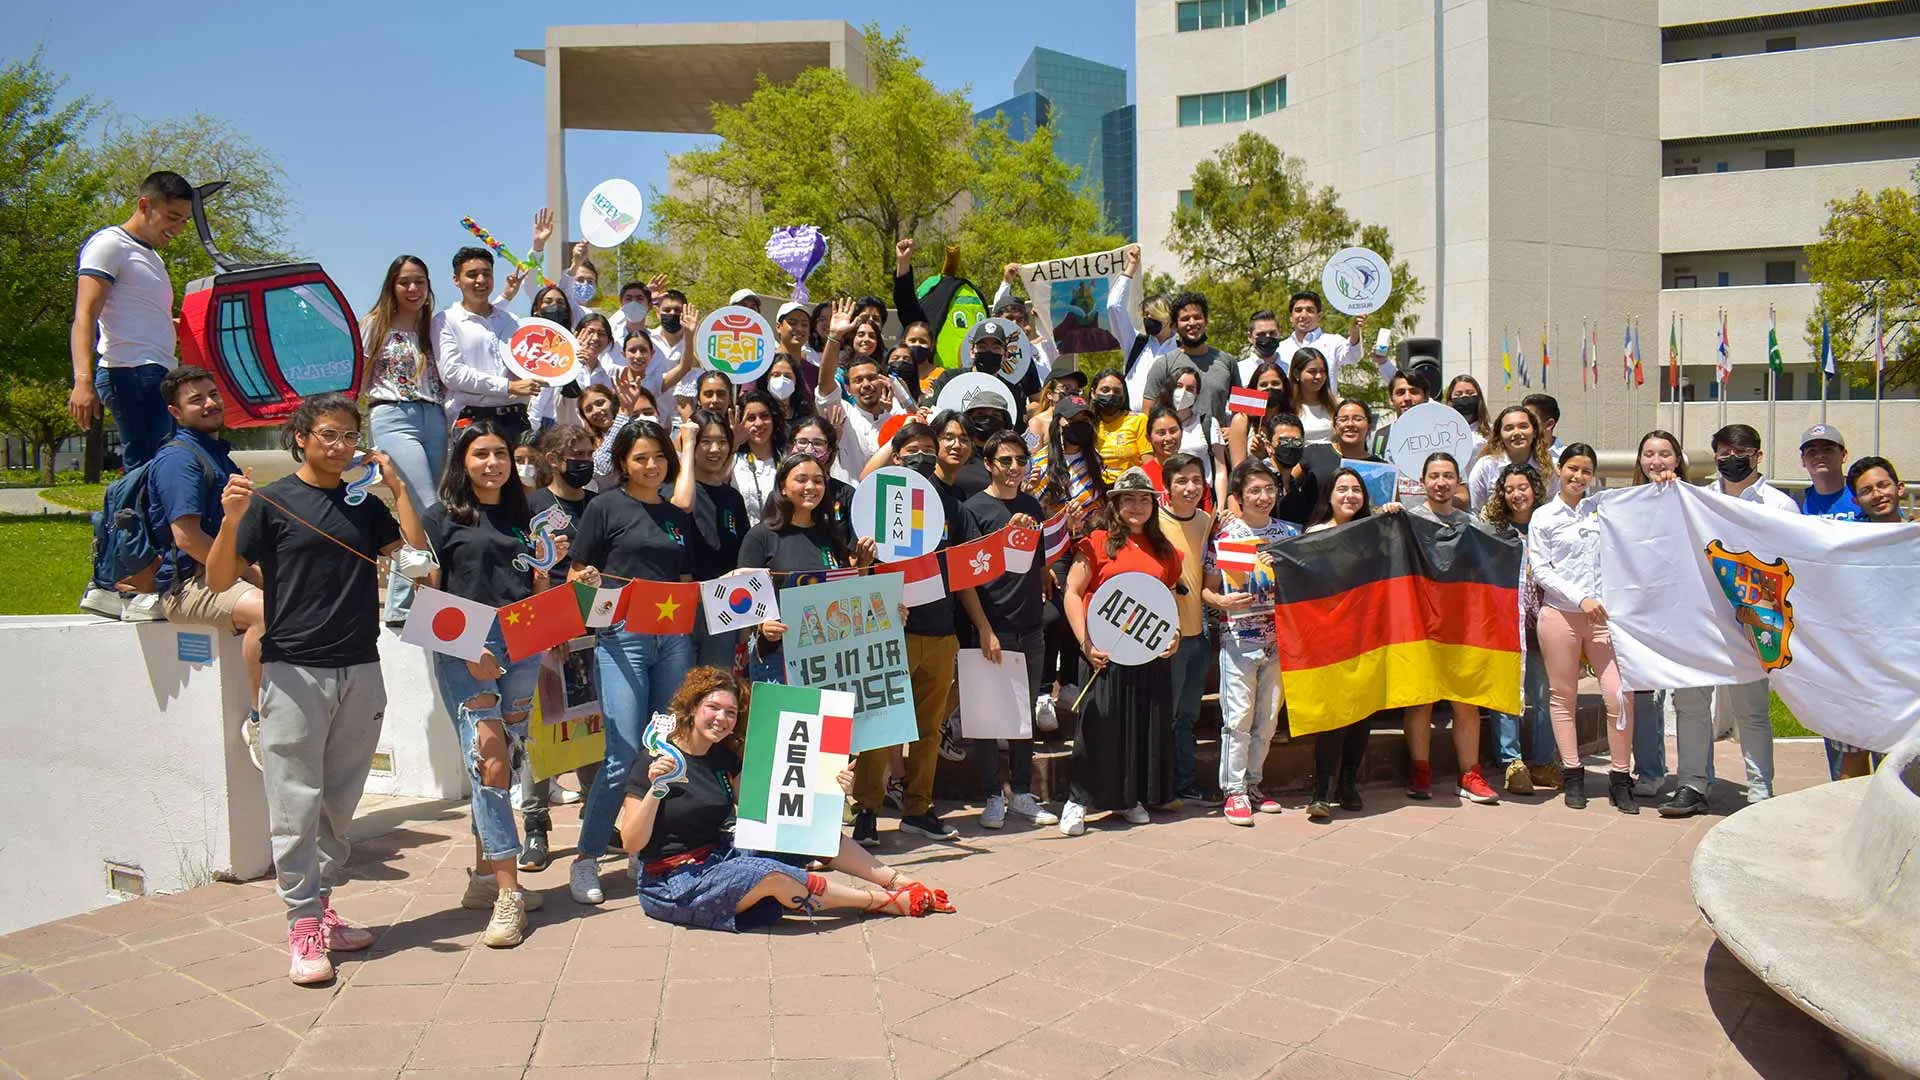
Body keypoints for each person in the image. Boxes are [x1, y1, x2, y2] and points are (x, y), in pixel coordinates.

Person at [203, 394, 425, 985]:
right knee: (295, 800)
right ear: (300, 438)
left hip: (360, 667)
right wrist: (229, 521)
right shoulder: (271, 503)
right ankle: (301, 925)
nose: (341, 446)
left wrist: (398, 490)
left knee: (338, 802)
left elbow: (421, 566)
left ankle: (322, 909)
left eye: (350, 436)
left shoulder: (363, 504)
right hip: (293, 668)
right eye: (329, 434)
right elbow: (220, 579)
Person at [618, 668, 954, 929]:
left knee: (803, 831)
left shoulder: (722, 757)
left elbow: (774, 809)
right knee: (769, 873)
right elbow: (632, 843)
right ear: (692, 707)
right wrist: (656, 789)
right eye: (713, 708)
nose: (721, 719)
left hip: (721, 856)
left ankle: (899, 881)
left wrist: (831, 787)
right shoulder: (653, 760)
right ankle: (880, 901)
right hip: (673, 882)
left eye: (731, 713)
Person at [420, 424, 551, 946]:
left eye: (500, 453)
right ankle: (508, 894)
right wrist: (466, 647)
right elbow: (423, 598)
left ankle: (480, 879)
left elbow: (536, 581)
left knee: (508, 759)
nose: (493, 463)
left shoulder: (528, 514)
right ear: (462, 462)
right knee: (490, 761)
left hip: (523, 638)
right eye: (481, 454)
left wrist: (550, 585)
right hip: (465, 645)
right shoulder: (440, 518)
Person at [565, 419, 697, 904]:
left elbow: (684, 580)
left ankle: (645, 850)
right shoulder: (604, 507)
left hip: (674, 640)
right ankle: (586, 857)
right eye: (641, 457)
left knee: (666, 749)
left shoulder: (676, 515)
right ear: (622, 462)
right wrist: (586, 577)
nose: (651, 465)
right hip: (623, 638)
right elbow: (577, 573)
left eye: (660, 457)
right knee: (621, 753)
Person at [849, 416, 993, 844]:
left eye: (929, 452)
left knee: (929, 730)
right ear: (895, 457)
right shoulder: (873, 499)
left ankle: (919, 808)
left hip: (940, 629)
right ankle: (867, 811)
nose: (922, 458)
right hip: (891, 632)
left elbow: (967, 567)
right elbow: (856, 571)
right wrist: (862, 563)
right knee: (880, 726)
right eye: (912, 452)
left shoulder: (952, 504)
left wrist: (983, 625)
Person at [1658, 424, 1797, 818]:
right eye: (1723, 452)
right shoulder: (1697, 499)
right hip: (1701, 614)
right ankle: (1692, 783)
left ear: (1758, 456)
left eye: (1741, 451)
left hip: (1757, 617)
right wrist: (1666, 485)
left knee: (1751, 709)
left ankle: (1759, 790)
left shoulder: (1780, 505)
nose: (1731, 459)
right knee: (1690, 701)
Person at [144, 366, 265, 764]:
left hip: (224, 574)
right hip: (187, 586)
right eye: (196, 399)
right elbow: (188, 539)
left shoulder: (218, 455)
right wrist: (249, 573)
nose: (210, 403)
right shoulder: (179, 461)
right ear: (175, 412)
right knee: (267, 611)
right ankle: (261, 719)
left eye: (213, 393)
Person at [1059, 467, 1182, 835]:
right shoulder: (1096, 542)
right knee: (1097, 726)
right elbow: (1072, 593)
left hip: (1147, 654)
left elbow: (1168, 600)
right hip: (1104, 652)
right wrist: (1086, 643)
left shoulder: (1167, 552)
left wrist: (1171, 636)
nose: (1137, 506)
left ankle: (1129, 799)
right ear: (1114, 504)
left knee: (1140, 727)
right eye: (1128, 498)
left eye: (1144, 499)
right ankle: (1077, 801)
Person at [1530, 444, 1635, 812]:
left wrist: (1668, 479)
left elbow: (1643, 498)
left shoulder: (1602, 508)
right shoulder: (1543, 516)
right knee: (1563, 696)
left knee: (1619, 695)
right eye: (1572, 468)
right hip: (1560, 615)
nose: (1578, 477)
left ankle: (1620, 777)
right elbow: (1541, 569)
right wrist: (1579, 599)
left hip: (1603, 618)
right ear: (1560, 469)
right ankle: (1573, 773)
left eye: (1586, 470)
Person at [963, 431, 1060, 829]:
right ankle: (991, 795)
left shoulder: (1031, 505)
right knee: (988, 718)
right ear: (988, 464)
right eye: (1006, 461)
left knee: (1023, 715)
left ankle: (1021, 792)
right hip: (992, 625)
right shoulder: (974, 509)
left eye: (1021, 460)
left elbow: (1035, 565)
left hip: (1029, 626)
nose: (1015, 467)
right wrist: (985, 629)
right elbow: (966, 577)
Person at [517, 423, 600, 870]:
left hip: (591, 630)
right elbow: (524, 574)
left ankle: (594, 821)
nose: (586, 460)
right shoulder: (530, 506)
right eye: (578, 453)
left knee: (588, 728)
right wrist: (552, 624)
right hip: (541, 635)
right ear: (553, 460)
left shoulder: (598, 505)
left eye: (590, 451)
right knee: (541, 733)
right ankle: (535, 827)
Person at [69, 170, 194, 469]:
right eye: (171, 217)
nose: (177, 228)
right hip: (130, 372)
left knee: (166, 464)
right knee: (147, 467)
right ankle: (123, 517)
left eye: (184, 222)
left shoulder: (151, 256)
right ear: (144, 205)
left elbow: (144, 316)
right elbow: (85, 314)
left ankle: (144, 517)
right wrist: (82, 381)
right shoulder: (110, 245)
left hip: (158, 370)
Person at [1401, 453, 1501, 804]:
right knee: (1420, 701)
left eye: (1447, 476)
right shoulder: (1406, 520)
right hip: (1420, 624)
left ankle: (1470, 774)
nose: (1440, 482)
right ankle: (1420, 771)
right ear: (1423, 480)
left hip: (1461, 626)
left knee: (1466, 701)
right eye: (1434, 476)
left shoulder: (1472, 524)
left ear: (1458, 481)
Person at [1203, 459, 1297, 825]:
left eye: (1269, 489)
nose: (1263, 497)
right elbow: (1209, 591)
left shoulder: (1290, 533)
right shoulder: (1225, 537)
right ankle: (1234, 791)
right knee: (1237, 717)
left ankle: (1254, 784)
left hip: (1281, 641)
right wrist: (1221, 602)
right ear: (1239, 497)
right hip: (1239, 639)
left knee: (1268, 718)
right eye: (1254, 491)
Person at [359, 255, 448, 626]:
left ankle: (400, 603)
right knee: (428, 508)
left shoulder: (436, 327)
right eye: (405, 282)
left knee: (417, 511)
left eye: (420, 282)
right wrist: (350, 430)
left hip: (435, 416)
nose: (413, 289)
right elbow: (358, 378)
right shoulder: (374, 324)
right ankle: (418, 598)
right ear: (392, 286)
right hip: (392, 414)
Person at [1301, 467, 1395, 819]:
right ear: (1329, 495)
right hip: (1328, 638)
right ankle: (1321, 791)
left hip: (1367, 636)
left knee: (1362, 714)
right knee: (1333, 716)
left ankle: (1348, 784)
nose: (1349, 496)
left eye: (1356, 490)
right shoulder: (1315, 534)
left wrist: (1390, 516)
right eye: (1342, 489)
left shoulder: (1374, 531)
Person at [736, 452, 878, 683]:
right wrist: (762, 624)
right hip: (777, 656)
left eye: (818, 480)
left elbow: (847, 594)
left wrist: (862, 566)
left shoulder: (831, 536)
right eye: (801, 479)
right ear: (782, 487)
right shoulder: (760, 536)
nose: (811, 486)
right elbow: (741, 598)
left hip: (829, 656)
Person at [1028, 396, 1108, 728]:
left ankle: (1074, 684)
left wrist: (1087, 523)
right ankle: (1044, 691)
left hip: (1087, 547)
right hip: (1053, 550)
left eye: (1087, 420)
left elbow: (1102, 509)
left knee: (1085, 612)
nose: (1081, 426)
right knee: (1054, 616)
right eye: (1074, 419)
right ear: (1059, 422)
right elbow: (1033, 509)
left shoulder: (1096, 462)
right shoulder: (1041, 461)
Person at [1481, 462, 1558, 796]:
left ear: (1535, 489)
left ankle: (1543, 761)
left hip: (1542, 622)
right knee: (1507, 694)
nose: (1516, 495)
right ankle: (1512, 762)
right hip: (1504, 623)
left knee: (1542, 694)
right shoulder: (1493, 530)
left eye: (1522, 488)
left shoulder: (1548, 525)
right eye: (1509, 489)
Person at [671, 410, 752, 671]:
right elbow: (682, 505)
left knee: (714, 688)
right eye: (705, 441)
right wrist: (688, 442)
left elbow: (742, 558)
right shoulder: (671, 491)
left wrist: (746, 621)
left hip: (723, 605)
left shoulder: (732, 498)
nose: (715, 449)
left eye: (722, 441)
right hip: (680, 605)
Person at [435, 246, 539, 443]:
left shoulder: (511, 321)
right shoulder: (445, 320)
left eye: (486, 274)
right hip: (473, 420)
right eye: (472, 275)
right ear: (456, 280)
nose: (481, 280)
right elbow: (453, 375)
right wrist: (509, 387)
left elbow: (527, 362)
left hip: (516, 419)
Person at [1156, 452, 1213, 804]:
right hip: (1168, 639)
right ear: (1167, 488)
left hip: (1199, 634)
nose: (1190, 487)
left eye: (1196, 480)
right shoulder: (1155, 522)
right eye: (1181, 481)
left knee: (1188, 716)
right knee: (1167, 715)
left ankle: (1184, 782)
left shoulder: (1207, 520)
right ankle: (1161, 783)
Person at [814, 299, 907, 481]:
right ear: (847, 388)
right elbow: (825, 387)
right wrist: (834, 337)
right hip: (847, 501)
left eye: (872, 378)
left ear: (882, 381)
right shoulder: (842, 415)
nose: (866, 384)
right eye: (858, 380)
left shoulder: (896, 418)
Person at [1143, 291, 1238, 421]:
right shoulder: (1163, 364)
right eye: (1185, 319)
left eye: (1197, 317)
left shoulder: (1227, 361)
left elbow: (1241, 411)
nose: (1192, 323)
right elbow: (1147, 414)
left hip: (1217, 440)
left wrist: (1232, 429)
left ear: (1206, 321)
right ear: (1175, 325)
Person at [1108, 244, 1178, 410]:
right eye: (1145, 315)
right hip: (1133, 424)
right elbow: (1114, 307)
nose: (1148, 319)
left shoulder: (1181, 350)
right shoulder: (1135, 343)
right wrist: (1131, 266)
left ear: (1167, 317)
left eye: (1152, 315)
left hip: (1167, 428)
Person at [1467, 405, 1555, 512]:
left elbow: (1552, 508)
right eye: (1509, 428)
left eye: (1523, 426)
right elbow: (1476, 509)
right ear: (1500, 435)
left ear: (1535, 431)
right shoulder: (1486, 466)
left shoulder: (1549, 468)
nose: (1517, 433)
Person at [1275, 290, 1366, 383]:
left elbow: (1353, 356)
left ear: (1319, 316)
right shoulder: (1279, 348)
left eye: (1310, 310)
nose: (1303, 315)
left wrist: (1355, 331)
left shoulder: (1333, 342)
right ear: (1291, 317)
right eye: (1298, 310)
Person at [732, 390, 787, 528]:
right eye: (751, 418)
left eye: (765, 416)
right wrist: (734, 443)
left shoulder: (787, 458)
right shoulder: (733, 460)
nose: (759, 423)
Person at [1227, 360, 1293, 470]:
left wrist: (1268, 457)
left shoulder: (1292, 418)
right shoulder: (1242, 420)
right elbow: (1238, 470)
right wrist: (1258, 458)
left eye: (1275, 383)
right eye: (1263, 385)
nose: (1270, 388)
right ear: (1255, 388)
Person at [1089, 368, 1152, 483]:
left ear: (1124, 395)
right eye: (1105, 390)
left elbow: (1150, 464)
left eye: (1117, 391)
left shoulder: (1139, 421)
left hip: (1131, 490)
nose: (1111, 394)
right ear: (1093, 393)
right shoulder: (1087, 425)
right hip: (1096, 493)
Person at [1798, 423, 1859, 520]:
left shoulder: (1862, 494)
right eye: (1812, 451)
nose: (1819, 456)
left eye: (1827, 449)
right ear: (1803, 460)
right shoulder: (1797, 503)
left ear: (1844, 455)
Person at [1289, 347, 1339, 443]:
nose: (1319, 376)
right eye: (1312, 371)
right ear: (1296, 373)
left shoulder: (1337, 405)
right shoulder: (1286, 406)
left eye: (1323, 371)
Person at [1443, 375, 1492, 460]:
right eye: (1458, 394)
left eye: (1470, 393)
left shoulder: (1490, 431)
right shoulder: (1442, 431)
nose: (1464, 396)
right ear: (1450, 399)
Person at [1849, 456, 1909, 523]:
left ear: (1899, 488)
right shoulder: (1850, 532)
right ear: (1856, 501)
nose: (1877, 495)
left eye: (1883, 485)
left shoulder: (1915, 531)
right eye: (1866, 491)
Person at [1234, 309, 1285, 386]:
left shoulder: (1291, 369)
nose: (1268, 338)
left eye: (1272, 333)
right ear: (1250, 337)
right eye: (1261, 334)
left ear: (1280, 333)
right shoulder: (1239, 371)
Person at [1520, 393, 1564, 457]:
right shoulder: (1512, 455)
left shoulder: (1569, 458)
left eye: (1531, 419)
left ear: (1549, 424)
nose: (1523, 423)